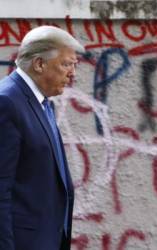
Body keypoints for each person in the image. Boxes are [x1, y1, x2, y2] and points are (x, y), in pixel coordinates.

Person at [0, 25, 85, 250]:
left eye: (74, 65)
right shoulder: (7, 102)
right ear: (39, 64)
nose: (73, 73)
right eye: (66, 64)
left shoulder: (42, 102)